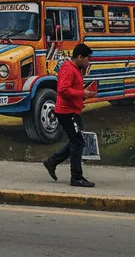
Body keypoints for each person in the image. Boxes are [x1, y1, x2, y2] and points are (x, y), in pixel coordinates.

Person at [43, 43, 96, 188]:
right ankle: (76, 177)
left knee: (76, 140)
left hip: (74, 110)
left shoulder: (77, 69)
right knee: (77, 141)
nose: (88, 62)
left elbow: (72, 90)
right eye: (87, 59)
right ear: (79, 57)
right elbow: (63, 90)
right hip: (66, 112)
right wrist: (82, 94)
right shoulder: (68, 69)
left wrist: (84, 96)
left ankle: (52, 162)